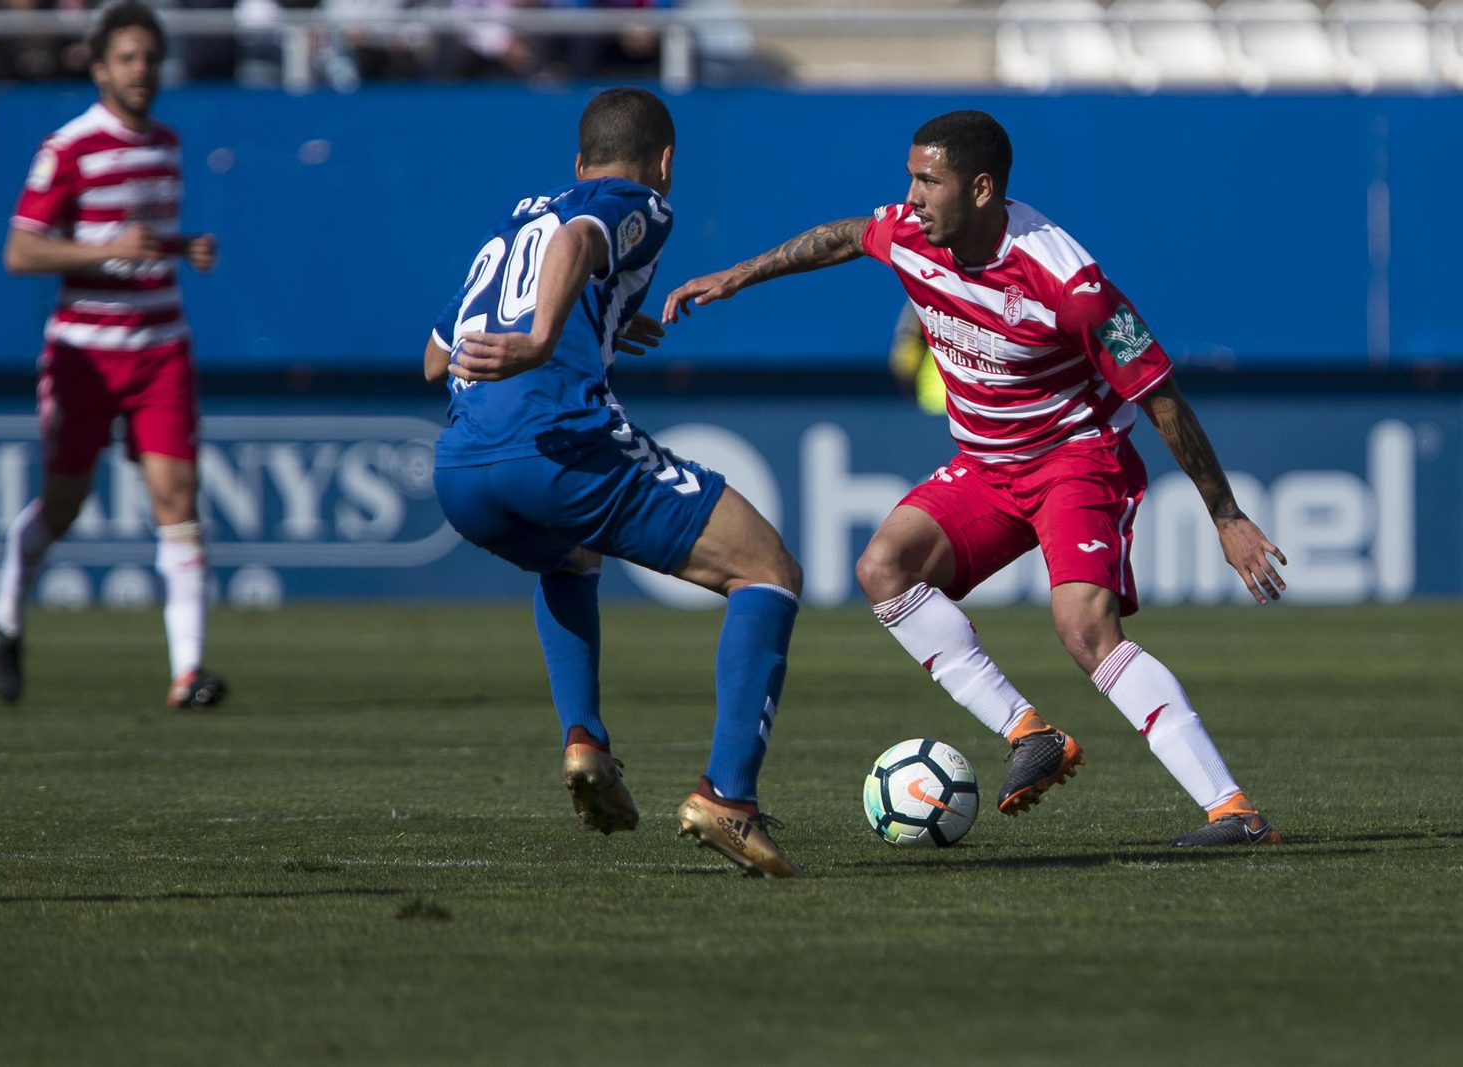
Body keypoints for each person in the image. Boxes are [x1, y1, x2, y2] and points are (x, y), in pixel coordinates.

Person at [663, 110, 1289, 848]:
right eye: (911, 177)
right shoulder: (909, 235)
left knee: (1083, 630)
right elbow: (840, 236)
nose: (912, 195)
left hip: (1075, 459)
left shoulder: (1072, 282)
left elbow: (1159, 394)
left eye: (929, 179)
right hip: (988, 467)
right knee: (882, 567)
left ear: (983, 188)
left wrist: (1224, 515)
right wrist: (738, 275)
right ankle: (1031, 733)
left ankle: (1234, 811)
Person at [425, 87, 805, 878]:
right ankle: (728, 799)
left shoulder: (512, 222)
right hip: (555, 449)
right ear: (665, 160)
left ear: (575, 159)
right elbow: (578, 240)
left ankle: (585, 742)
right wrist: (541, 341)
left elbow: (436, 357)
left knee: (568, 556)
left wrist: (593, 319)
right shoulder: (637, 200)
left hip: (460, 471)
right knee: (767, 570)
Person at [0, 1, 226, 711]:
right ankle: (5, 616)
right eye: (127, 57)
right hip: (85, 351)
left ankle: (188, 674)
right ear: (99, 69)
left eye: (149, 57)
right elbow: (20, 250)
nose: (141, 70)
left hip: (160, 348)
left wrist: (185, 249)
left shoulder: (168, 144)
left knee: (177, 503)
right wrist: (106, 249)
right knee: (63, 504)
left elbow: (142, 246)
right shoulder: (69, 148)